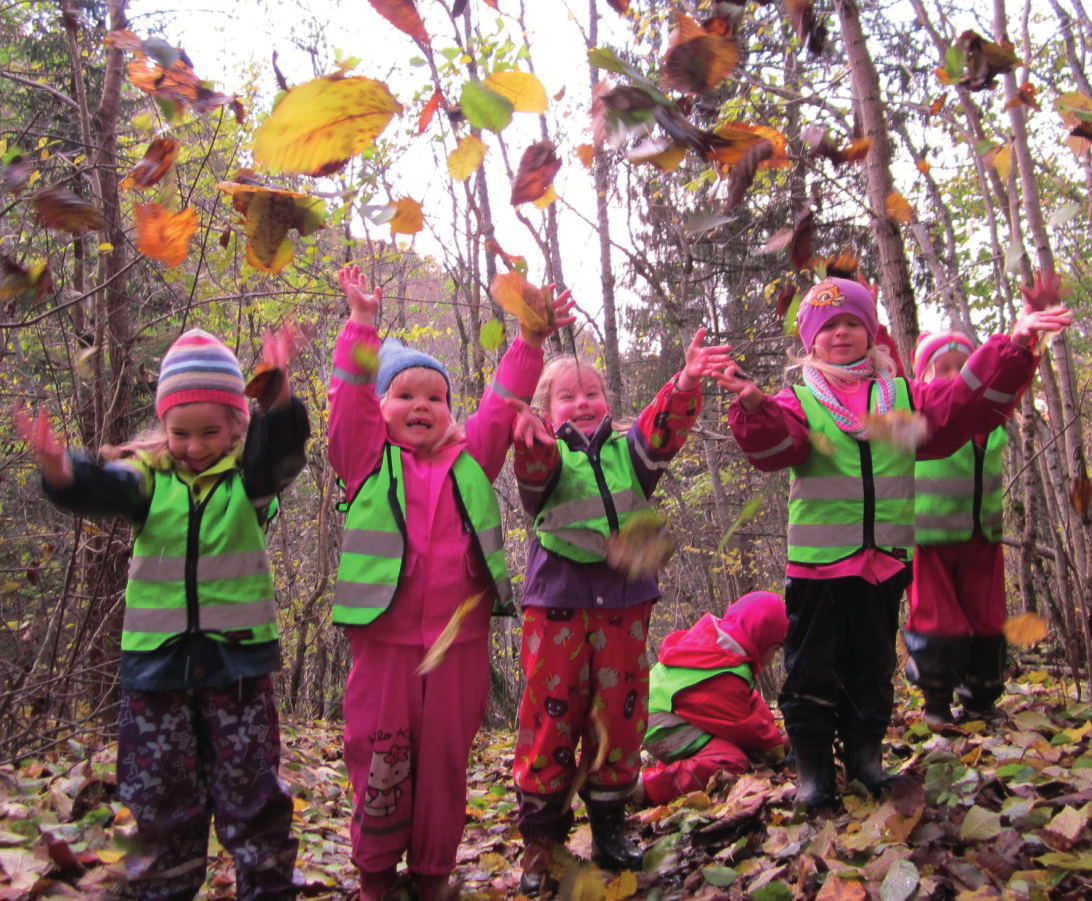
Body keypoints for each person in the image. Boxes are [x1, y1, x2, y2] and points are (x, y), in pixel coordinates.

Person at [714, 275, 1070, 811]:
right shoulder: (802, 398)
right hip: (818, 569)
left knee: (872, 667)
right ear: (810, 340)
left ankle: (864, 760)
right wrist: (754, 408)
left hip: (883, 566)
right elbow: (777, 448)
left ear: (870, 332)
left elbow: (962, 405)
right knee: (810, 670)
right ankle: (814, 773)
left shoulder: (900, 397)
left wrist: (1014, 343)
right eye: (828, 325)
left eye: (852, 322)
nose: (841, 333)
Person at [18, 327, 310, 901]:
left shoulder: (247, 483)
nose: (195, 446)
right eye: (181, 432)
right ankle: (164, 889)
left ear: (235, 428)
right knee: (158, 798)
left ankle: (267, 885)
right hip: (157, 673)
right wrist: (60, 468)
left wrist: (277, 396)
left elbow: (280, 454)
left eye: (211, 432)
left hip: (238, 667)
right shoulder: (147, 481)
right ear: (163, 426)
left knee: (251, 793)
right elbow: (100, 487)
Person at [328, 265, 573, 901]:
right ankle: (375, 876)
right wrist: (361, 327)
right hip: (384, 650)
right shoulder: (364, 459)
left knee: (443, 765)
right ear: (381, 408)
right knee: (379, 760)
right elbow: (347, 401)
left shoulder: (472, 459)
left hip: (458, 648)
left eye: (434, 398)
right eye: (405, 395)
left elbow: (501, 402)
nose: (421, 407)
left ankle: (433, 873)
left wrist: (531, 337)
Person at [509, 331, 733, 896]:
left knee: (621, 713)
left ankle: (609, 825)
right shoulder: (548, 452)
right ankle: (542, 839)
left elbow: (663, 433)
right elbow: (534, 481)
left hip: (625, 606)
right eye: (567, 396)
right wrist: (530, 441)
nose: (582, 403)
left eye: (593, 392)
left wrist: (683, 383)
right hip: (557, 604)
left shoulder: (629, 452)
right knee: (549, 714)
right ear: (546, 409)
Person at [906, 330, 1010, 728]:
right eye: (942, 369)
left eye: (964, 368)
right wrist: (877, 335)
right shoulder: (917, 419)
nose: (954, 376)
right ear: (923, 382)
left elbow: (1012, 380)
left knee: (988, 618)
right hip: (929, 539)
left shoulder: (992, 416)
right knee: (936, 619)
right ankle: (936, 702)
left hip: (983, 538)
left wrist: (1029, 342)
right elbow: (888, 382)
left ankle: (982, 698)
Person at [640, 591, 788, 806]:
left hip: (657, 709)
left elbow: (748, 701)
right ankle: (644, 787)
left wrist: (771, 725)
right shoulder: (727, 675)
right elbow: (743, 726)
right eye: (775, 649)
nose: (774, 657)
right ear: (762, 638)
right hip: (662, 722)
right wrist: (777, 746)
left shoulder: (718, 649)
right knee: (732, 761)